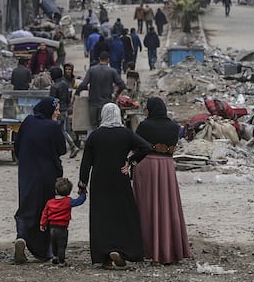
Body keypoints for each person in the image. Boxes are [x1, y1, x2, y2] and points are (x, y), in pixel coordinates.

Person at [79, 103, 152, 268]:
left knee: (101, 216)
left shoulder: (95, 136)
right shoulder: (125, 134)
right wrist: (131, 161)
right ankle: (122, 250)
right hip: (120, 178)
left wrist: (82, 184)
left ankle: (104, 256)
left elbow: (86, 163)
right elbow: (145, 147)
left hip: (99, 180)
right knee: (122, 214)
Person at [132, 97, 190, 264]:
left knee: (146, 207)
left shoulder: (144, 126)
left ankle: (147, 248)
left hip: (147, 165)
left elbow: (137, 146)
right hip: (166, 167)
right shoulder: (174, 127)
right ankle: (168, 248)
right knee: (166, 206)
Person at [13, 97, 66, 264]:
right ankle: (45, 251)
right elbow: (61, 149)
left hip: (27, 173)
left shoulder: (28, 121)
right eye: (56, 109)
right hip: (47, 174)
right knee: (45, 210)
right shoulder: (53, 126)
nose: (58, 112)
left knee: (26, 207)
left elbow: (17, 145)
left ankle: (21, 237)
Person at [39, 177, 87, 266]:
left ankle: (55, 256)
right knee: (61, 244)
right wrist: (83, 193)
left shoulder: (50, 202)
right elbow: (79, 201)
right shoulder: (68, 201)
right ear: (69, 192)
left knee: (54, 243)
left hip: (52, 226)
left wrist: (42, 224)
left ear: (56, 191)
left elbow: (44, 214)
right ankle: (61, 261)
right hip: (62, 227)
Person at [75, 52, 126, 134]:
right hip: (106, 104)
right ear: (108, 60)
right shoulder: (112, 71)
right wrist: (116, 95)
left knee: (93, 127)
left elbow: (83, 84)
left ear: (99, 59)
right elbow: (122, 85)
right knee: (106, 126)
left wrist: (76, 93)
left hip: (93, 103)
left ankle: (92, 144)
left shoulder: (92, 70)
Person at [50, 67, 78, 158]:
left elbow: (53, 100)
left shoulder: (54, 87)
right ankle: (72, 146)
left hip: (57, 111)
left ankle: (56, 149)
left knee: (55, 130)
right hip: (64, 109)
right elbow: (68, 98)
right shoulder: (65, 85)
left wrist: (52, 110)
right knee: (62, 130)